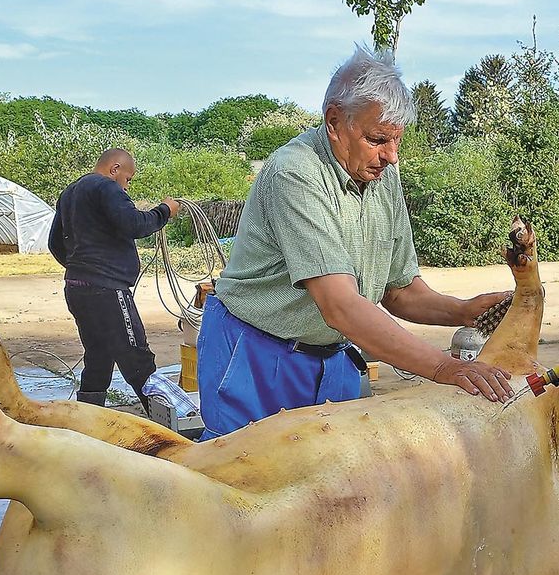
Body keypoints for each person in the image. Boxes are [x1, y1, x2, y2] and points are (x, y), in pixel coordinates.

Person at [198, 46, 513, 439]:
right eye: (378, 139)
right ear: (334, 121)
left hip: (333, 360)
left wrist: (463, 312)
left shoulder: (383, 176)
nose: (392, 157)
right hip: (256, 357)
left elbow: (399, 291)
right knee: (244, 485)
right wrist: (445, 368)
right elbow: (341, 306)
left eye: (397, 141)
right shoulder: (296, 173)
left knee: (333, 490)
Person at [48, 148, 180, 409]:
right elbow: (134, 224)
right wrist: (165, 210)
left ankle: (89, 416)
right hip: (106, 290)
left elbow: (55, 243)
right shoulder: (106, 187)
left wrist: (81, 268)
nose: (127, 187)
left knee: (99, 356)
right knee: (137, 357)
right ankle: (166, 424)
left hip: (77, 287)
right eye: (128, 179)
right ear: (114, 169)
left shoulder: (70, 193)